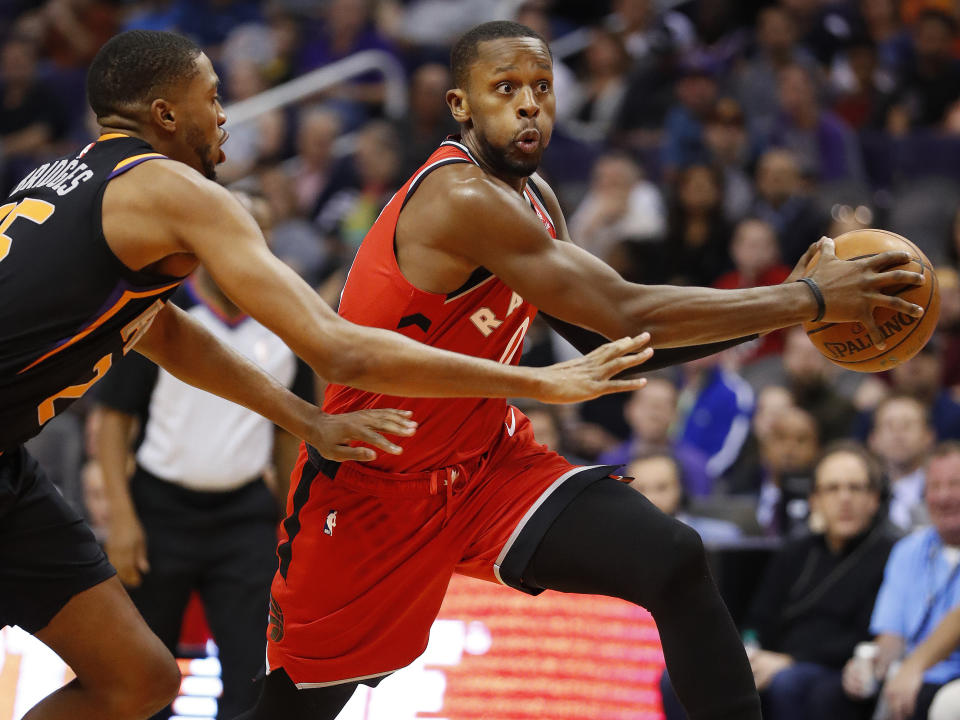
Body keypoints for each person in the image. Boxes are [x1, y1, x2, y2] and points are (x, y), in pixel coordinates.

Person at [243, 20, 925, 720]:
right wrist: (805, 299)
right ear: (460, 105)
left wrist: (790, 310)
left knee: (674, 559)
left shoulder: (535, 196)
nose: (529, 103)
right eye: (505, 88)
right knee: (293, 711)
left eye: (541, 87)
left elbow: (619, 337)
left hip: (484, 466)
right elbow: (625, 308)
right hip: (374, 483)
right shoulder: (460, 197)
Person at [0, 29, 657, 720]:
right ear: (165, 115)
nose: (225, 116)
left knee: (140, 680)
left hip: (12, 468)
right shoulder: (175, 191)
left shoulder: (59, 175)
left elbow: (164, 330)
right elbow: (339, 350)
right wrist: (538, 382)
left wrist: (305, 419)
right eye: (212, 97)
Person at [93, 194, 310, 720]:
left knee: (254, 677)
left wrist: (292, 526)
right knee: (145, 675)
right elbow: (112, 424)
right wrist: (121, 519)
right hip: (159, 511)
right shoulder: (160, 315)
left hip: (244, 519)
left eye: (258, 233)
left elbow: (289, 434)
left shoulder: (289, 328)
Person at [661, 442, 894, 720]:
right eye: (832, 488)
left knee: (789, 684)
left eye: (855, 488)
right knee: (679, 675)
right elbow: (759, 618)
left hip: (833, 669)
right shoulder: (797, 550)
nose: (844, 498)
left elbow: (865, 637)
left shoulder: (890, 553)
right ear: (814, 500)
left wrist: (788, 661)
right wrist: (751, 651)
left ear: (874, 499)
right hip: (776, 661)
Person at [843, 442, 960, 720]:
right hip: (914, 678)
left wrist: (913, 667)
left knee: (946, 704)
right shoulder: (908, 550)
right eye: (934, 487)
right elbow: (891, 635)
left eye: (955, 484)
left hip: (945, 677)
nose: (944, 497)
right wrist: (870, 665)